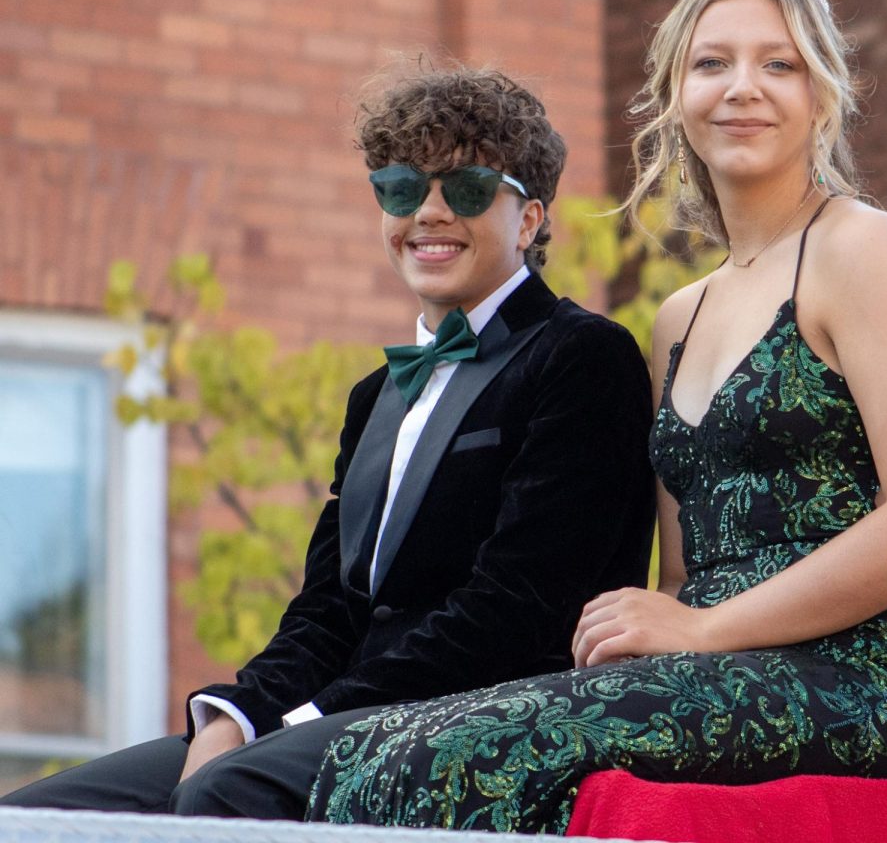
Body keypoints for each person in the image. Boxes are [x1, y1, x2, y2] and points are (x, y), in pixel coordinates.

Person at [304, 0, 887, 834]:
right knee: (375, 748)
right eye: (713, 63)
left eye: (778, 63)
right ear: (674, 97)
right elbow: (681, 576)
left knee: (450, 758)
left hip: (865, 682)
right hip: (712, 675)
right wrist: (660, 636)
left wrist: (705, 630)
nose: (743, 86)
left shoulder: (864, 249)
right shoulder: (679, 318)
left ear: (820, 94)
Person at [0, 67, 656, 818]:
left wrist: (299, 725)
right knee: (45, 815)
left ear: (530, 218)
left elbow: (516, 607)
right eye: (402, 189)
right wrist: (236, 714)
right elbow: (326, 614)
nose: (429, 214)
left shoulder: (582, 356)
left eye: (467, 189)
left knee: (224, 792)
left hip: (495, 719)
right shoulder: (375, 398)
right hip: (349, 716)